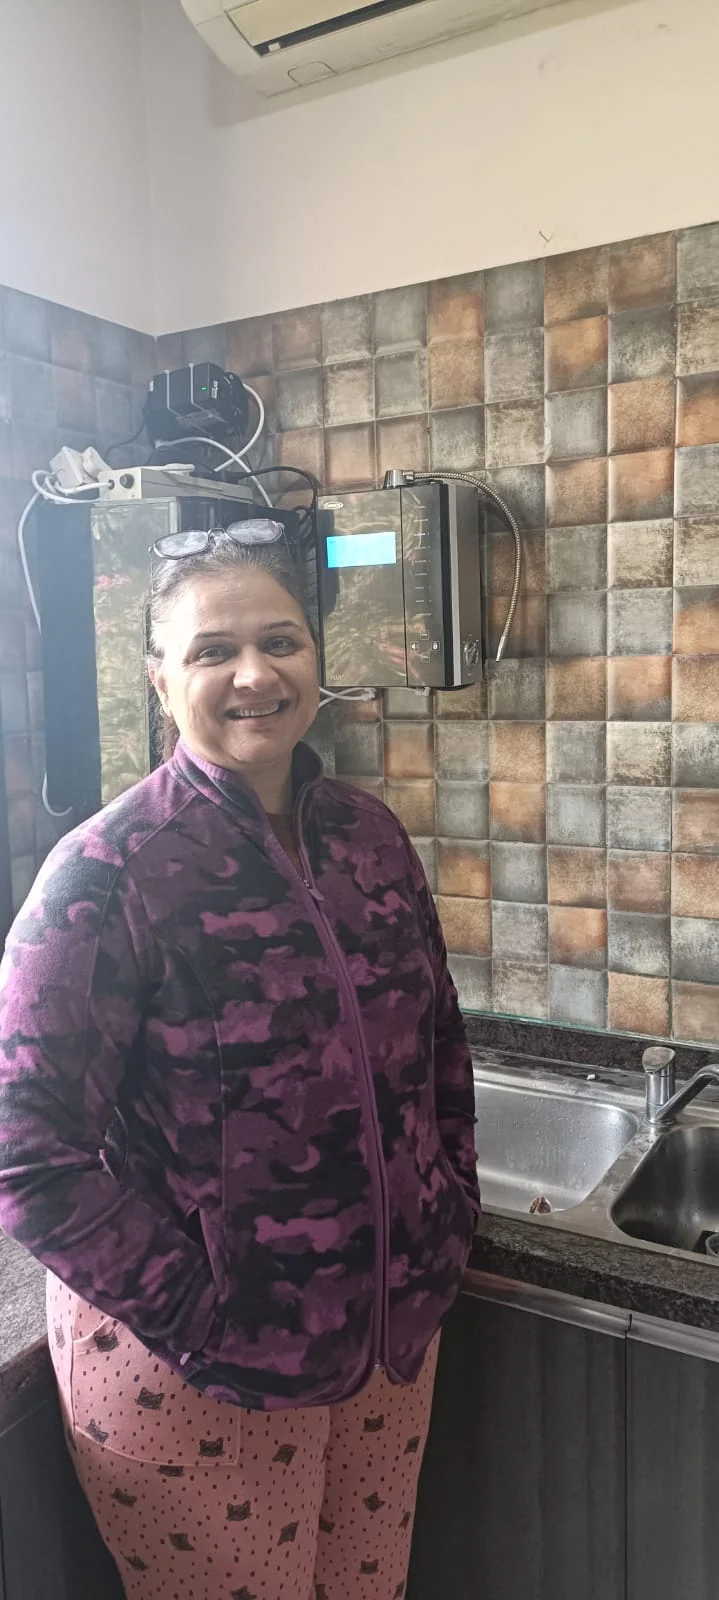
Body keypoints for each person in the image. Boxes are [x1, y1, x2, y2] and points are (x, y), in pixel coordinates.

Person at [0, 522, 480, 1600]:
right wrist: (205, 1311)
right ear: (160, 678)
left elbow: (438, 1041)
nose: (255, 674)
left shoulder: (368, 839)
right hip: (198, 1382)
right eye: (213, 650)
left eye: (281, 641)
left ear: (316, 656)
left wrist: (446, 1210)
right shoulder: (106, 874)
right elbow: (27, 1155)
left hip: (386, 1346)